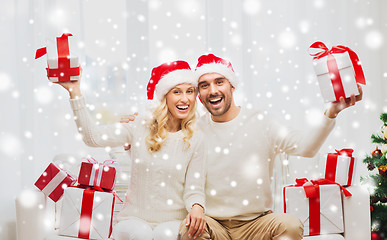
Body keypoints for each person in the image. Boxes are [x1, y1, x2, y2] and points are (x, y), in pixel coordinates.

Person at [121, 54, 363, 240]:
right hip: (211, 222)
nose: (213, 90)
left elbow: (307, 148)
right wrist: (135, 127)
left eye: (219, 82)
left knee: (290, 225)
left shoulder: (262, 122)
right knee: (189, 231)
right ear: (199, 95)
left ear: (232, 86)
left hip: (256, 222)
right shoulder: (193, 130)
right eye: (204, 85)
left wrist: (331, 113)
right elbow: (157, 150)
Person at [55, 60, 207, 240]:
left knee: (164, 235)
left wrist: (197, 206)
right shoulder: (138, 126)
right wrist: (75, 92)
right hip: (134, 220)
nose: (185, 99)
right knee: (140, 234)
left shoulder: (196, 138)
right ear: (164, 96)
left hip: (173, 222)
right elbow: (92, 137)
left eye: (190, 91)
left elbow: (194, 187)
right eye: (177, 92)